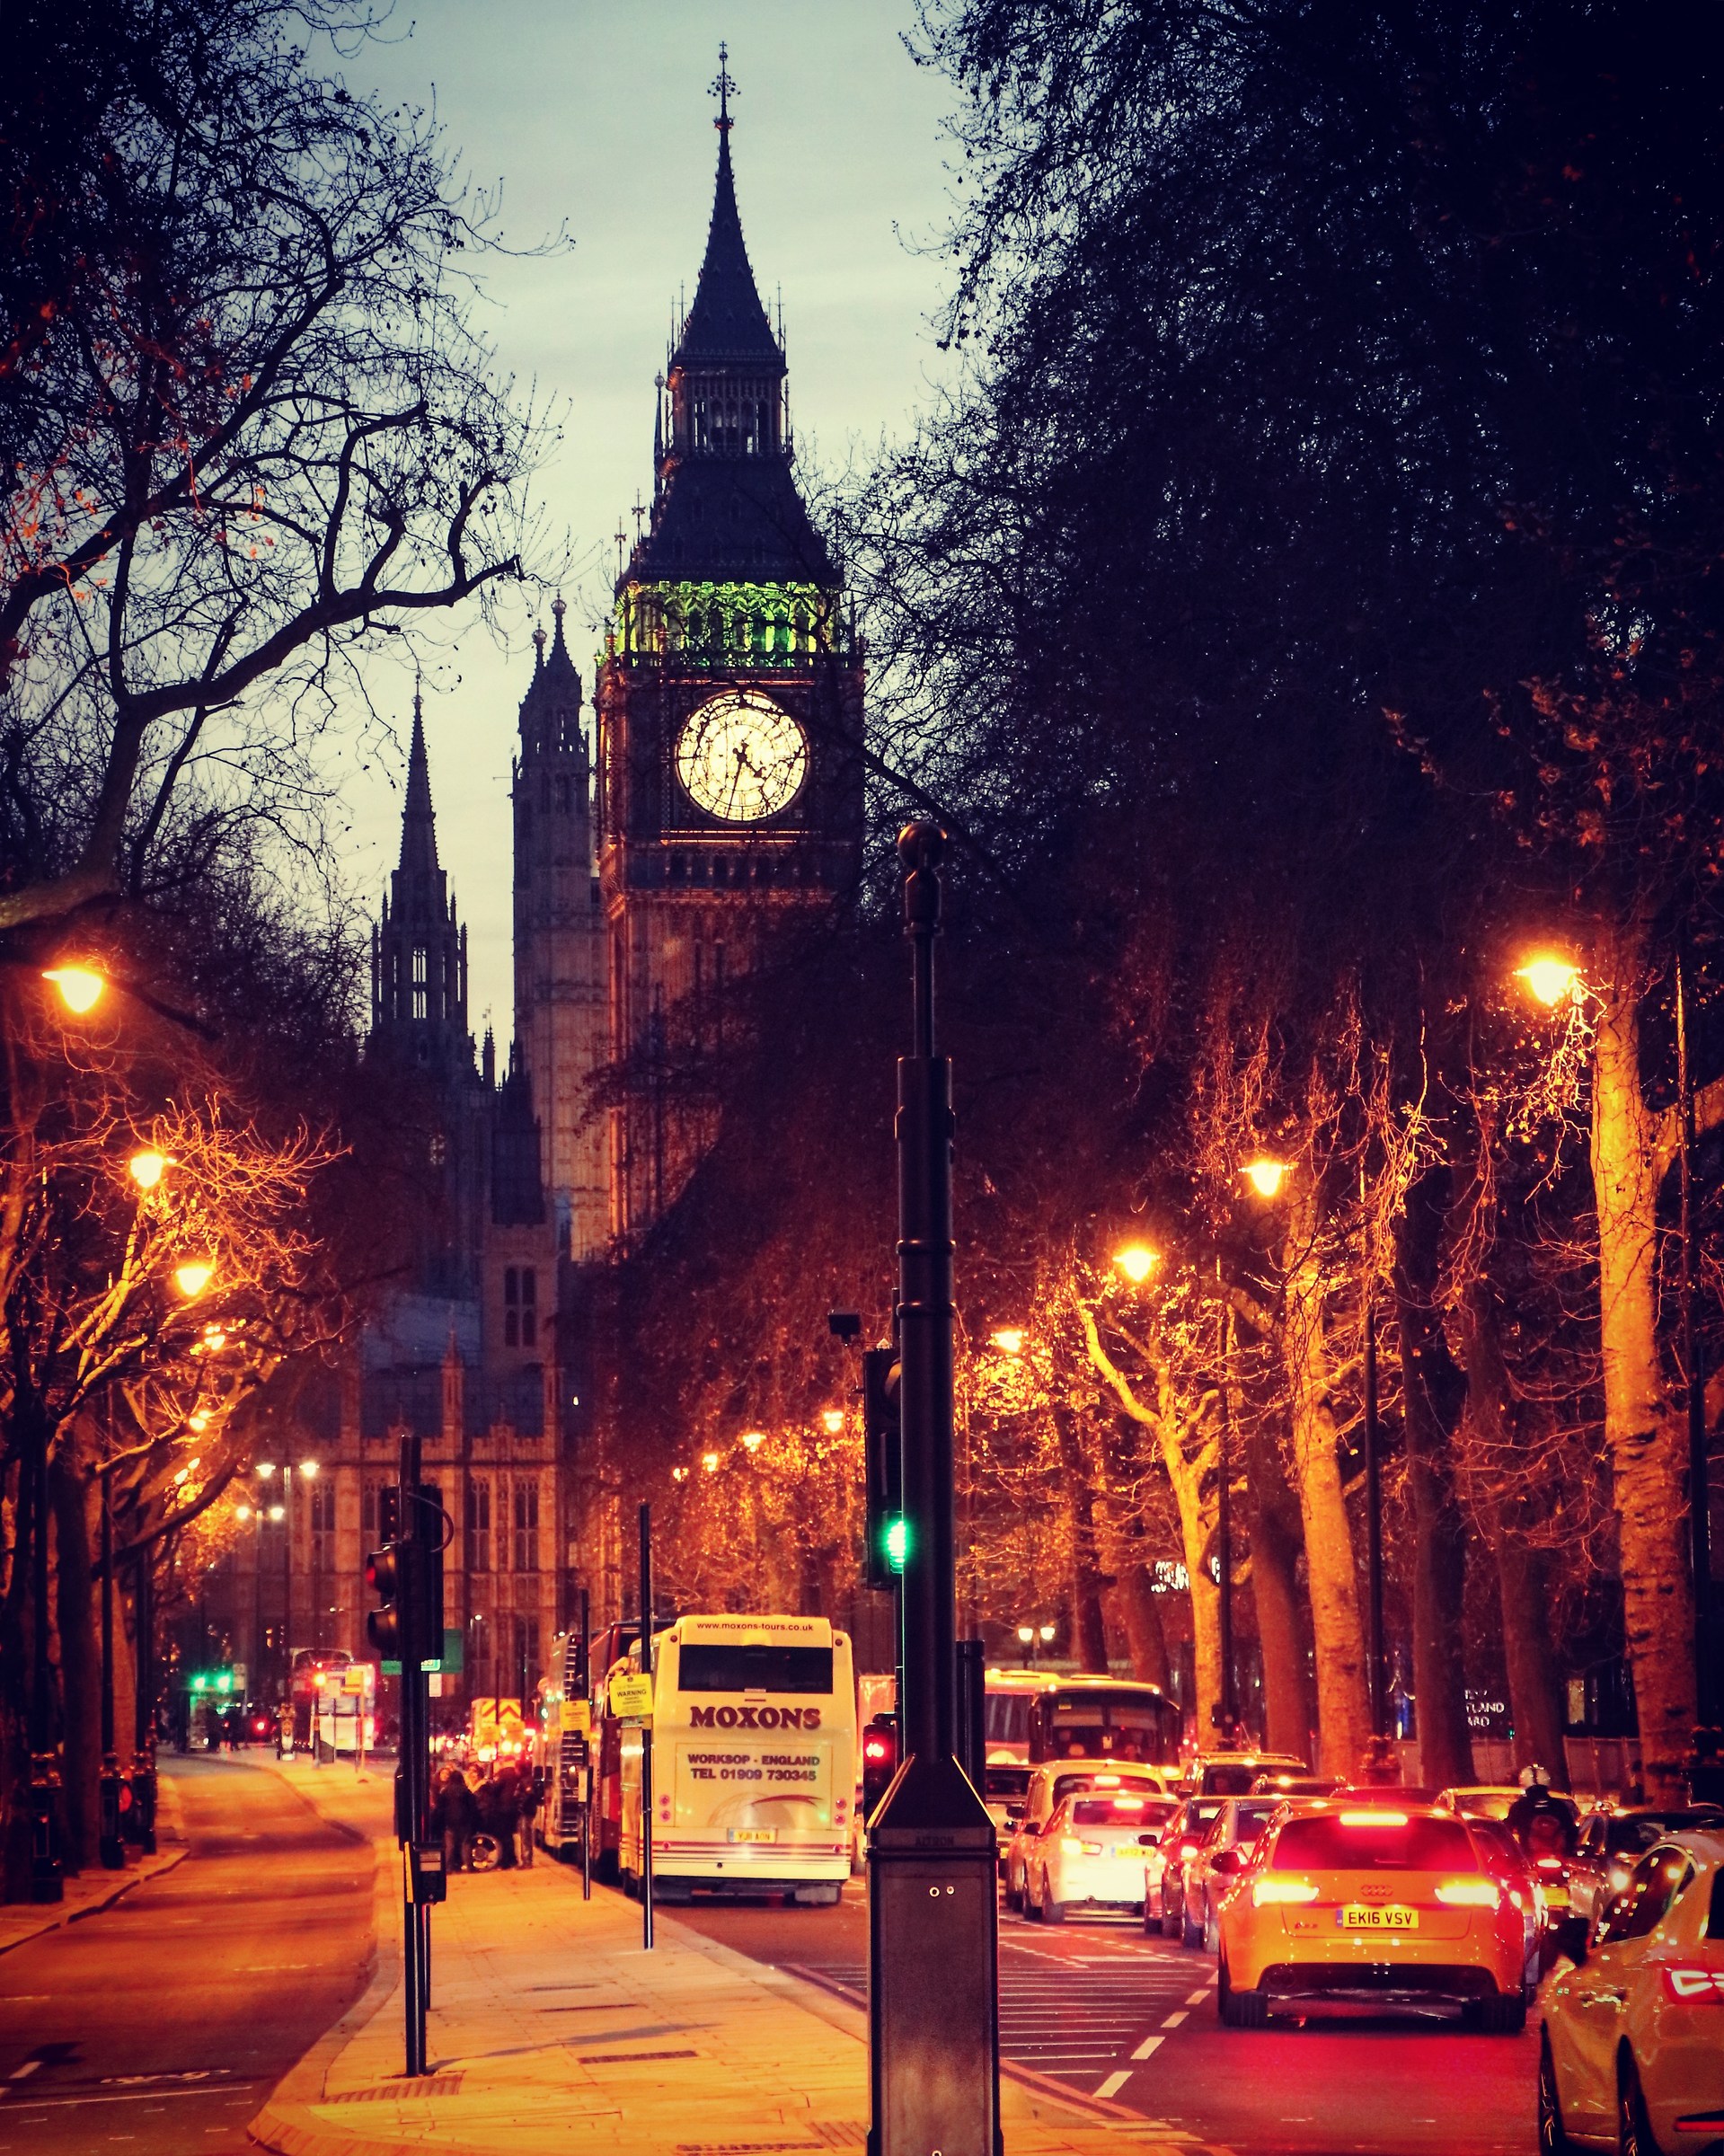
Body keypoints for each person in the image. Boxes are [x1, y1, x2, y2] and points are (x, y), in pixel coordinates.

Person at [438, 1767, 479, 1874]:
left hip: (449, 1821)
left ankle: (448, 1867)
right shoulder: (466, 1791)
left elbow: (441, 1807)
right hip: (464, 1821)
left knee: (450, 1846)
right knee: (465, 1844)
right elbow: (472, 1807)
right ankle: (469, 1866)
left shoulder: (446, 1791)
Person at [520, 1762, 544, 1868]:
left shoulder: (526, 1780)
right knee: (526, 1836)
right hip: (529, 1810)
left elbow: (528, 1794)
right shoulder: (530, 1779)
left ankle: (527, 1861)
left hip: (526, 1811)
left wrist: (520, 1804)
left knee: (525, 1836)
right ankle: (527, 1860)